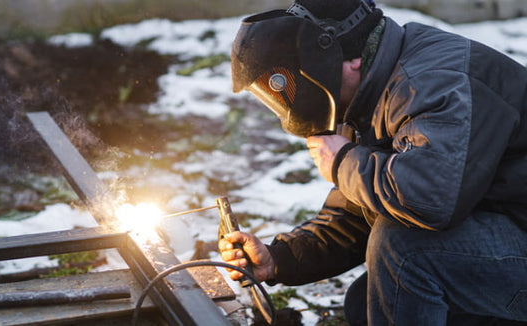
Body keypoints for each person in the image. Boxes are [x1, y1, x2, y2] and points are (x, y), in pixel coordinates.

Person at [219, 0, 527, 325]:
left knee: (405, 252)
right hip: (506, 231)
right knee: (368, 301)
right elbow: (356, 216)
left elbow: (429, 199)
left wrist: (342, 163)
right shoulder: (371, 93)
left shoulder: (431, 83)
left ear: (346, 58)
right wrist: (277, 259)